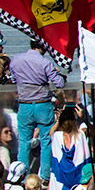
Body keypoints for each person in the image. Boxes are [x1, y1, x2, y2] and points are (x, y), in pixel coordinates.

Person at [11, 41, 64, 180]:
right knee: (46, 141)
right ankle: (45, 177)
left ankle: (22, 176)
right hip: (42, 105)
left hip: (24, 105)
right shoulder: (45, 63)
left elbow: (12, 78)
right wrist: (58, 73)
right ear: (44, 47)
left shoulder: (16, 60)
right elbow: (59, 83)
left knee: (24, 141)